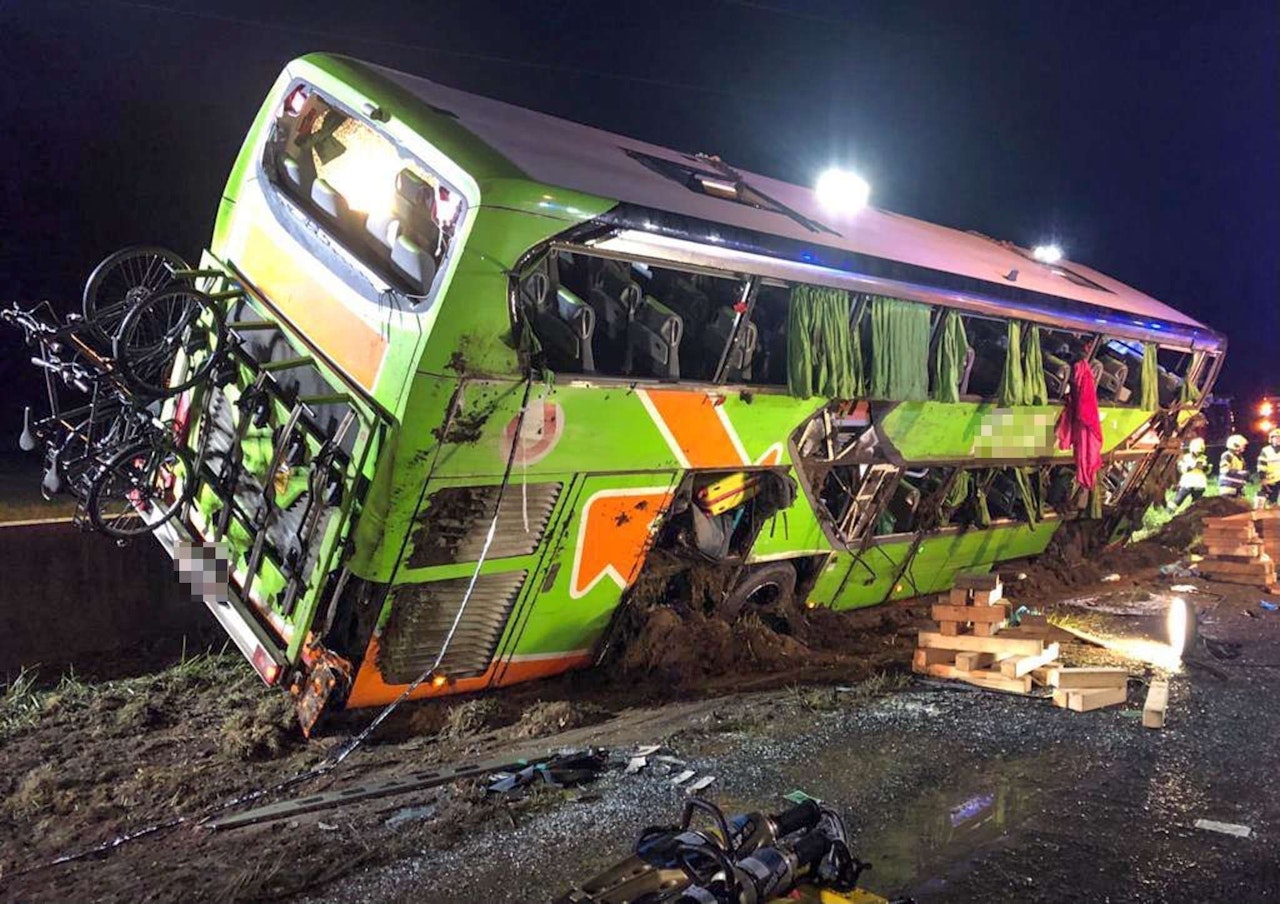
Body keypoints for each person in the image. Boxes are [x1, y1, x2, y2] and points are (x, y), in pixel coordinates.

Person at [1169, 437, 1208, 510]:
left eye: (1200, 453)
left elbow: (1207, 471)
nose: (1198, 454)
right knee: (1177, 500)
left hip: (1199, 485)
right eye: (1197, 452)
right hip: (1187, 483)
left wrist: (1205, 468)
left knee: (1196, 503)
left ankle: (1192, 514)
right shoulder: (1186, 458)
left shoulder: (1203, 458)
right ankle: (1169, 511)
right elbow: (1180, 468)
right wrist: (1192, 467)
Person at [1257, 429, 1280, 506]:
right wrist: (1263, 479)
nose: (1278, 440)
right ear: (1271, 439)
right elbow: (1261, 466)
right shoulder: (1266, 451)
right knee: (1270, 502)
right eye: (1276, 438)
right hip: (1270, 481)